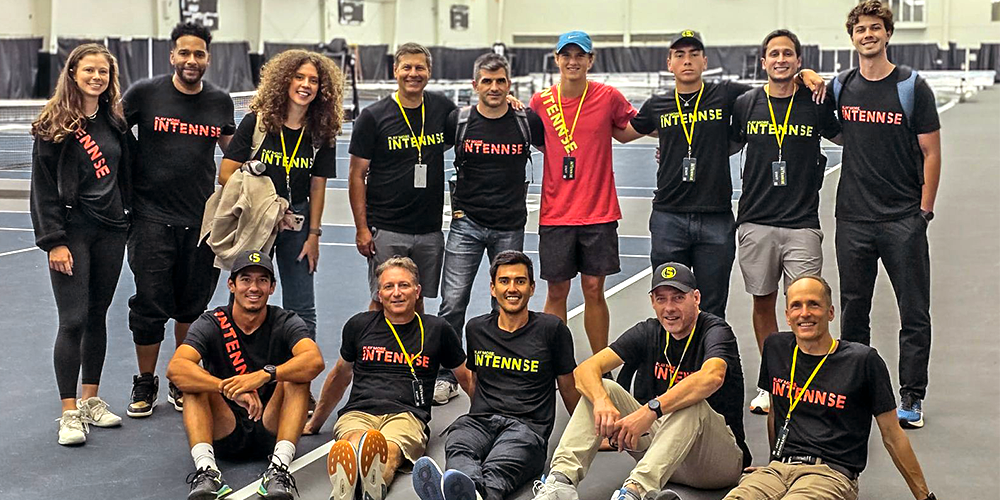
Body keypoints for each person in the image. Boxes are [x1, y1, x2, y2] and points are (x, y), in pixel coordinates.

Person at [626, 30, 826, 320]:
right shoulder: (656, 104)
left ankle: (714, 363)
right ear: (669, 63)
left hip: (716, 217)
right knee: (669, 304)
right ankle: (672, 364)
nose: (687, 60)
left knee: (713, 307)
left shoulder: (729, 95)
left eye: (694, 54)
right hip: (669, 217)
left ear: (705, 61)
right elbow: (625, 132)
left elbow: (775, 85)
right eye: (680, 55)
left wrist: (804, 74)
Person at [531, 262, 750, 500]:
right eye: (661, 299)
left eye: (678, 298)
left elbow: (712, 377)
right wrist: (602, 401)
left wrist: (651, 410)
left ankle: (635, 492)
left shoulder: (715, 331)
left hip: (715, 461)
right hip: (660, 453)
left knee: (691, 403)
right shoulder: (648, 331)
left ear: (696, 298)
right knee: (603, 386)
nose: (669, 308)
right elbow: (585, 370)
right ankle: (561, 482)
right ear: (652, 301)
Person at [720, 275, 936, 500]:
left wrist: (924, 497)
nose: (805, 313)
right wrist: (774, 463)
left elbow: (893, 435)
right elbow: (776, 412)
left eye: (814, 304)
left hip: (830, 474)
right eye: (796, 306)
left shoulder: (863, 361)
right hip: (779, 470)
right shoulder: (776, 348)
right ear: (787, 316)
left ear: (831, 312)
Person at [830, 0, 942, 429]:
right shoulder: (842, 87)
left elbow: (931, 152)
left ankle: (911, 394)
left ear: (888, 34)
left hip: (902, 220)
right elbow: (837, 131)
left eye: (875, 28)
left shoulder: (912, 87)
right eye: (861, 29)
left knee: (914, 311)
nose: (868, 35)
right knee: (854, 310)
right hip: (853, 219)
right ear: (852, 36)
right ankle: (858, 388)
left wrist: (923, 212)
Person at [123, 21, 236, 417]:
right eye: (184, 53)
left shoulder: (220, 102)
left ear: (208, 58)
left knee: (192, 305)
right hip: (150, 218)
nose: (191, 60)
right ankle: (145, 381)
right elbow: (112, 134)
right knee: (151, 305)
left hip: (201, 222)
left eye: (199, 54)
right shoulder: (144, 94)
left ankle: (179, 377)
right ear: (172, 56)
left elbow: (233, 151)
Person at [729, 29, 841, 415]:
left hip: (802, 223)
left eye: (788, 54)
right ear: (763, 61)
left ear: (798, 61)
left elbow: (846, 135)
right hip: (756, 221)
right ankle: (773, 381)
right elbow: (720, 144)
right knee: (764, 302)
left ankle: (807, 380)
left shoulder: (814, 102)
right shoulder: (746, 104)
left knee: (806, 304)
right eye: (773, 53)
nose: (780, 59)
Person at [412, 251, 580, 500]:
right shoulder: (477, 328)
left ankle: (475, 494)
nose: (512, 288)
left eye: (520, 281)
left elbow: (568, 386)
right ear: (493, 288)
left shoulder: (552, 330)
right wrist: (478, 411)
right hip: (480, 421)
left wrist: (587, 434)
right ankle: (466, 488)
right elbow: (474, 380)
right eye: (504, 281)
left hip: (527, 429)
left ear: (532, 288)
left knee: (501, 464)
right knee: (459, 444)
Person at [30, 43, 132, 445]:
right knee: (73, 319)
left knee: (98, 315)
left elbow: (126, 174)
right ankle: (69, 411)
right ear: (73, 73)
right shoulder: (54, 122)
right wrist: (54, 240)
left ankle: (91, 398)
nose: (96, 77)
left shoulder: (114, 122)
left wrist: (128, 219)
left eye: (103, 72)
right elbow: (41, 188)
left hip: (112, 232)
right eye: (88, 70)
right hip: (72, 234)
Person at [433, 53, 546, 405]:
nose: (494, 88)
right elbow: (422, 151)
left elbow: (563, 150)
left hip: (509, 226)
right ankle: (445, 373)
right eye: (487, 81)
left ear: (509, 84)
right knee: (452, 302)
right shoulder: (459, 121)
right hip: (466, 224)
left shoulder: (527, 121)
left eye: (500, 81)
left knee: (508, 302)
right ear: (475, 85)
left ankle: (501, 372)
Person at [305, 257, 467, 500]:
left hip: (407, 415)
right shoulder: (359, 326)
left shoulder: (437, 329)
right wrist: (315, 422)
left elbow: (465, 377)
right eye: (388, 287)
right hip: (359, 412)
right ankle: (350, 489)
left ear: (417, 291)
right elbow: (340, 376)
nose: (397, 293)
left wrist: (484, 419)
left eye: (404, 285)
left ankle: (364, 490)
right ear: (379, 294)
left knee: (389, 450)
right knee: (353, 443)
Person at [167, 250, 324, 500]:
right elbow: (176, 368)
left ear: (272, 288)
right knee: (193, 381)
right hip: (223, 426)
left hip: (270, 426)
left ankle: (278, 469)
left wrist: (265, 375)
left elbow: (314, 360)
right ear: (232, 285)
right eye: (246, 280)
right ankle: (207, 471)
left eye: (262, 280)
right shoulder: (212, 322)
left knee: (297, 375)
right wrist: (226, 387)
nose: (254, 287)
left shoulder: (285, 321)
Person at [219, 49, 344, 336]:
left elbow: (318, 185)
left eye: (313, 80)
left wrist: (314, 235)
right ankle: (233, 363)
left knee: (302, 307)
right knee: (242, 298)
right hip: (256, 220)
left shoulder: (321, 131)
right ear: (285, 81)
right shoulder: (257, 122)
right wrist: (262, 202)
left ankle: (299, 373)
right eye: (299, 77)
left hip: (297, 221)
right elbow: (226, 174)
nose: (306, 85)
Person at [528, 31, 638, 357]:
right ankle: (557, 362)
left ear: (590, 60)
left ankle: (600, 363)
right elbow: (534, 140)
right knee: (557, 290)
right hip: (556, 212)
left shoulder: (608, 97)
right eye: (567, 55)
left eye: (580, 56)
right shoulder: (540, 102)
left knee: (593, 289)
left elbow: (630, 130)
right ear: (557, 59)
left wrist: (673, 133)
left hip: (599, 212)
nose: (573, 61)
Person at [348, 43, 457, 314]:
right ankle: (369, 353)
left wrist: (510, 101)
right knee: (383, 298)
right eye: (406, 67)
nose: (413, 73)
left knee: (416, 299)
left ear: (429, 71)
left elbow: (476, 119)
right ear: (395, 70)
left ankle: (414, 356)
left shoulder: (442, 108)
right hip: (387, 228)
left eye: (420, 67)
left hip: (430, 229)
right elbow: (356, 175)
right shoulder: (373, 116)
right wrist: (362, 229)